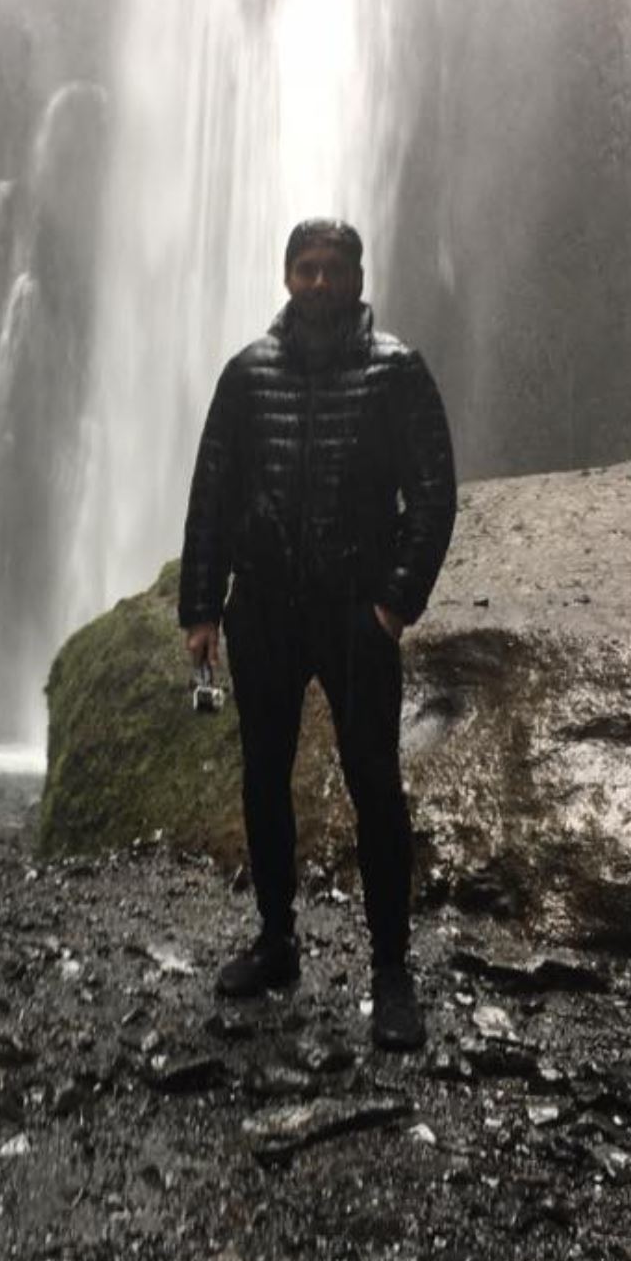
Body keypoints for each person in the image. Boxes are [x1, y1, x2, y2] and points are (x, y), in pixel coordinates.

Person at [178, 219, 456, 1050]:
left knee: (375, 784)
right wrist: (200, 607)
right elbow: (211, 498)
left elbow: (433, 495)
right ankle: (275, 943)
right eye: (305, 268)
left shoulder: (396, 372)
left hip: (351, 612)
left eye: (334, 269)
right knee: (262, 777)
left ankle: (391, 973)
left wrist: (393, 604)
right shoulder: (246, 375)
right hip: (261, 609)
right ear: (286, 276)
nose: (318, 283)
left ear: (357, 279)